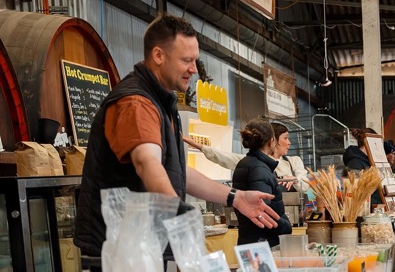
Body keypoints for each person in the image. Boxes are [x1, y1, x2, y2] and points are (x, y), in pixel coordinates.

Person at [74, 14, 278, 259]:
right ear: (159, 55)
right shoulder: (136, 102)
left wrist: (236, 197)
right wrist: (179, 215)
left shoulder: (162, 102)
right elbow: (146, 162)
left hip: (139, 247)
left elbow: (178, 171)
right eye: (186, 60)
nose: (194, 69)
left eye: (195, 60)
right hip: (119, 254)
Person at [183, 121, 310, 193]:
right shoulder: (252, 162)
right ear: (273, 140)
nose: (289, 143)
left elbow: (305, 186)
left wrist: (295, 179)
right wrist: (199, 146)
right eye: (286, 138)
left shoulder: (294, 162)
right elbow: (223, 157)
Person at [232, 119, 292, 248]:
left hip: (249, 239)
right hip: (263, 243)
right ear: (272, 141)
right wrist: (285, 226)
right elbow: (262, 211)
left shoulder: (245, 163)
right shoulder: (260, 169)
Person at [342, 127, 382, 207]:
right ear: (369, 143)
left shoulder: (369, 162)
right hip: (364, 212)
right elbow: (355, 194)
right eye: (376, 144)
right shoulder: (355, 164)